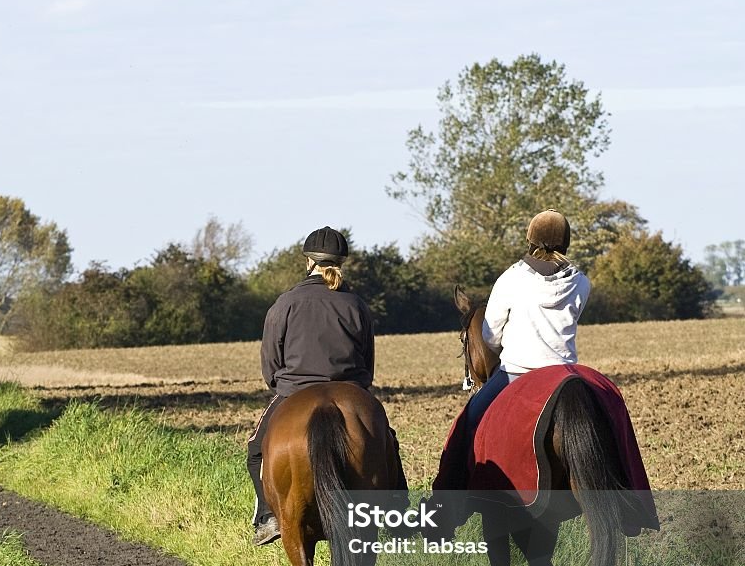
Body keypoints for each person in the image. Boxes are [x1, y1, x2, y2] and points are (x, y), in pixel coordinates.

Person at [248, 226, 407, 546]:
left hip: (294, 391)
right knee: (387, 442)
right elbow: (367, 361)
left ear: (309, 262)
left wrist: (282, 384)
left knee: (256, 449)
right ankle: (398, 514)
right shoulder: (356, 304)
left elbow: (270, 364)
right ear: (340, 263)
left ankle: (268, 517)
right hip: (351, 390)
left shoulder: (285, 303)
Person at [433, 209, 590, 501]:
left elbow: (490, 334)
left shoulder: (512, 277)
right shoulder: (581, 281)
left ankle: (448, 503)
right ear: (565, 243)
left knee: (467, 423)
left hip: (516, 371)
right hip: (565, 374)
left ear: (531, 240)